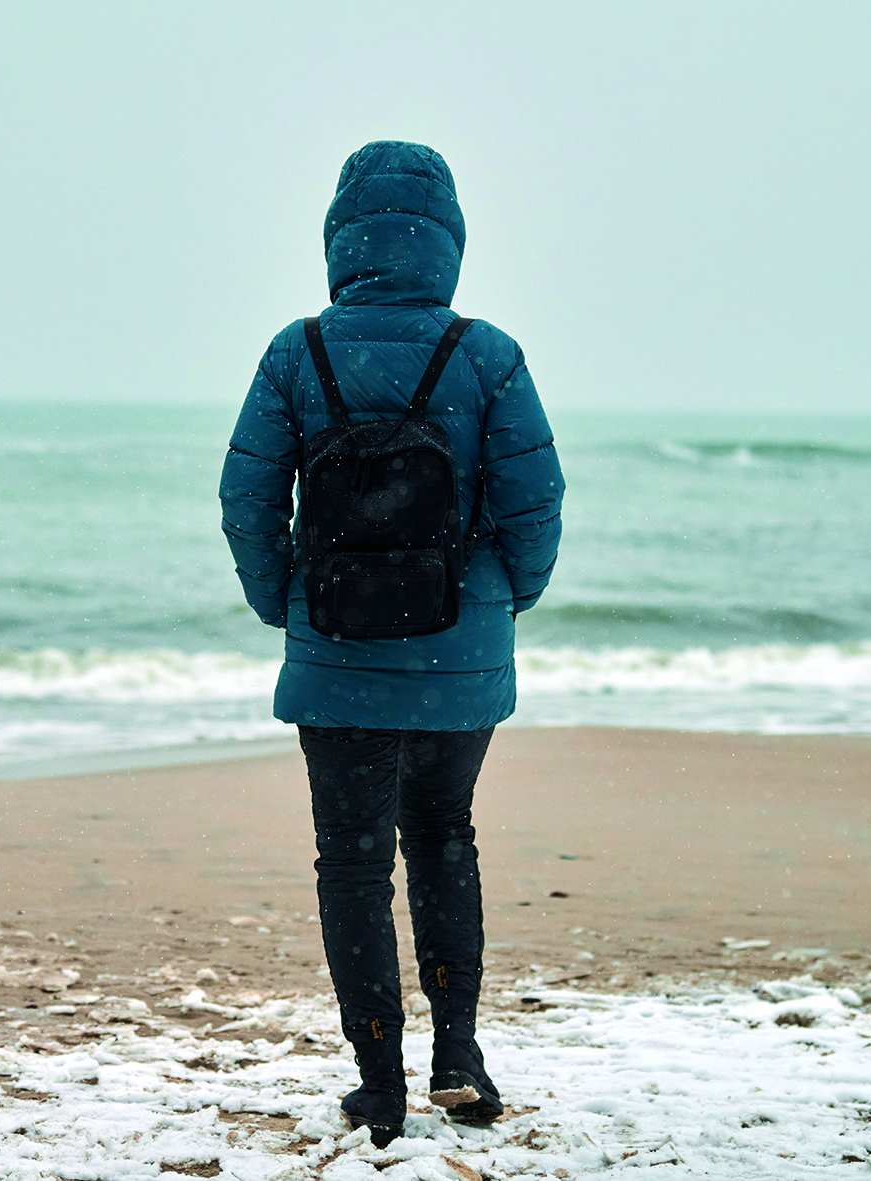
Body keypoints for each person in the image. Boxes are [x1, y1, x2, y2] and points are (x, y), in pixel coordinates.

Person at [219, 141, 563, 1146]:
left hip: (334, 653)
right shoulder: (486, 354)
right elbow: (534, 501)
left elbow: (247, 501)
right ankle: (458, 1054)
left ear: (340, 237)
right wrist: (504, 602)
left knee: (353, 863)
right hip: (460, 652)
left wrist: (285, 603)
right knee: (444, 836)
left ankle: (378, 1082)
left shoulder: (297, 353)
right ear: (447, 241)